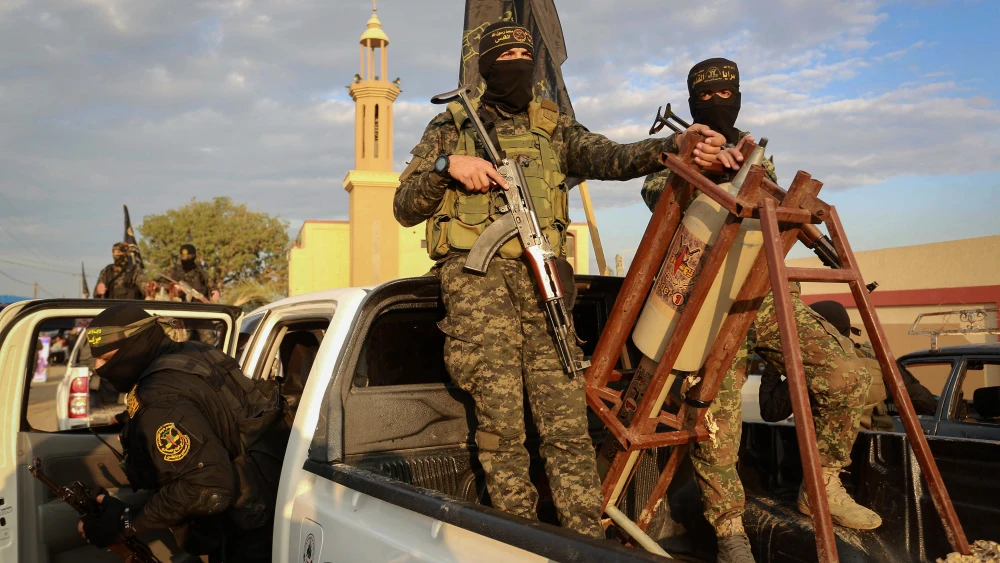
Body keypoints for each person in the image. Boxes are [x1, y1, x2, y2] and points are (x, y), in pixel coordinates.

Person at [393, 21, 725, 538]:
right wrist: (446, 165)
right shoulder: (450, 126)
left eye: (527, 54)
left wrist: (673, 144)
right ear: (485, 66)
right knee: (501, 426)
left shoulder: (553, 126)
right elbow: (404, 206)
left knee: (566, 422)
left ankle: (584, 537)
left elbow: (611, 156)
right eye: (507, 56)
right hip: (476, 286)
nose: (519, 64)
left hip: (543, 277)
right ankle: (520, 537)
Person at [640, 58, 880, 563]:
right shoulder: (681, 149)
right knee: (715, 421)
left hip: (765, 293)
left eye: (729, 93)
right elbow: (656, 199)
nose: (720, 102)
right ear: (691, 104)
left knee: (847, 376)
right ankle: (729, 530)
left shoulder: (756, 152)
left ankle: (825, 487)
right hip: (708, 304)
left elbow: (772, 211)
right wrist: (697, 169)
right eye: (708, 96)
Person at [77, 304, 287, 562]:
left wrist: (125, 523)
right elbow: (209, 403)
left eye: (107, 359)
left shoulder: (157, 395)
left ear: (136, 345)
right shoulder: (197, 353)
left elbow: (210, 489)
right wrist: (132, 417)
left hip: (244, 533)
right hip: (272, 495)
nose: (98, 367)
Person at [759, 300, 936, 427]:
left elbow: (771, 412)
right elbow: (924, 401)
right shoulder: (875, 359)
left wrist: (776, 361)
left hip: (827, 462)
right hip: (877, 452)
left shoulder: (814, 366)